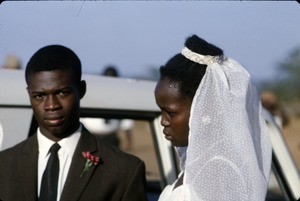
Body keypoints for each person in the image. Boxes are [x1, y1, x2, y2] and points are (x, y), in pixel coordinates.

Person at [0, 45, 148, 201]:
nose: (51, 105)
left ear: (81, 90)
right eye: (40, 96)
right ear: (29, 94)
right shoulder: (4, 166)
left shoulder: (124, 170)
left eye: (63, 93)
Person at [154, 35, 272, 201]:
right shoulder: (199, 167)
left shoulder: (218, 177)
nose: (163, 122)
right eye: (162, 112)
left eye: (171, 113)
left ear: (204, 111)